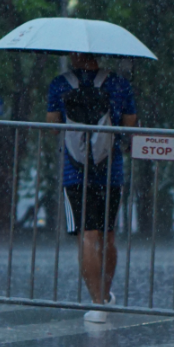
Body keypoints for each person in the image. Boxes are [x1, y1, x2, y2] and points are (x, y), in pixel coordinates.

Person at [46, 52, 137, 323]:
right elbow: (130, 125)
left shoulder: (59, 84)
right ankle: (106, 297)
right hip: (111, 171)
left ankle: (96, 303)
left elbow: (51, 127)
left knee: (87, 237)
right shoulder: (119, 84)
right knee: (107, 237)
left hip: (74, 172)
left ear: (74, 55)